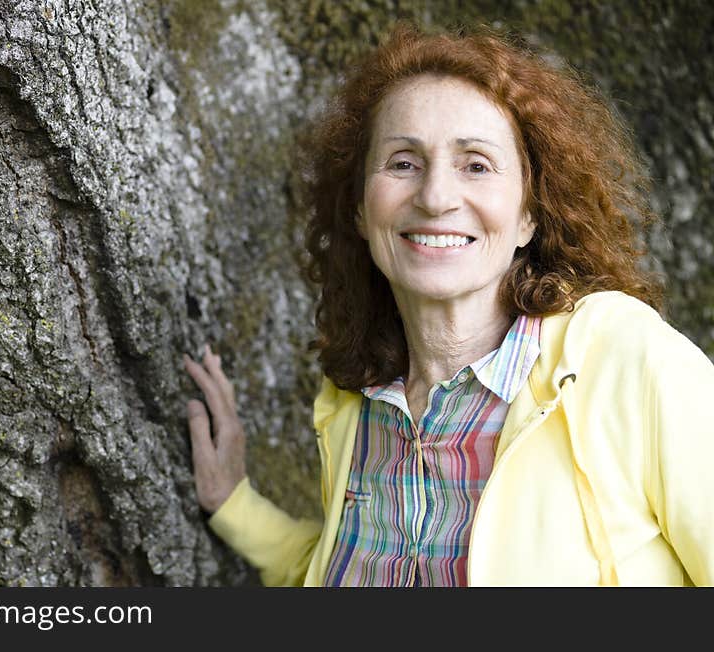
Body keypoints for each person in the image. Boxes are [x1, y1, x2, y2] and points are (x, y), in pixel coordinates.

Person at [182, 22, 714, 586]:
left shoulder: (626, 361)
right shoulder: (354, 404)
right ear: (362, 209)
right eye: (403, 162)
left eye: (476, 165)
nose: (436, 197)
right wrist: (234, 504)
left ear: (530, 214)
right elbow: (345, 569)